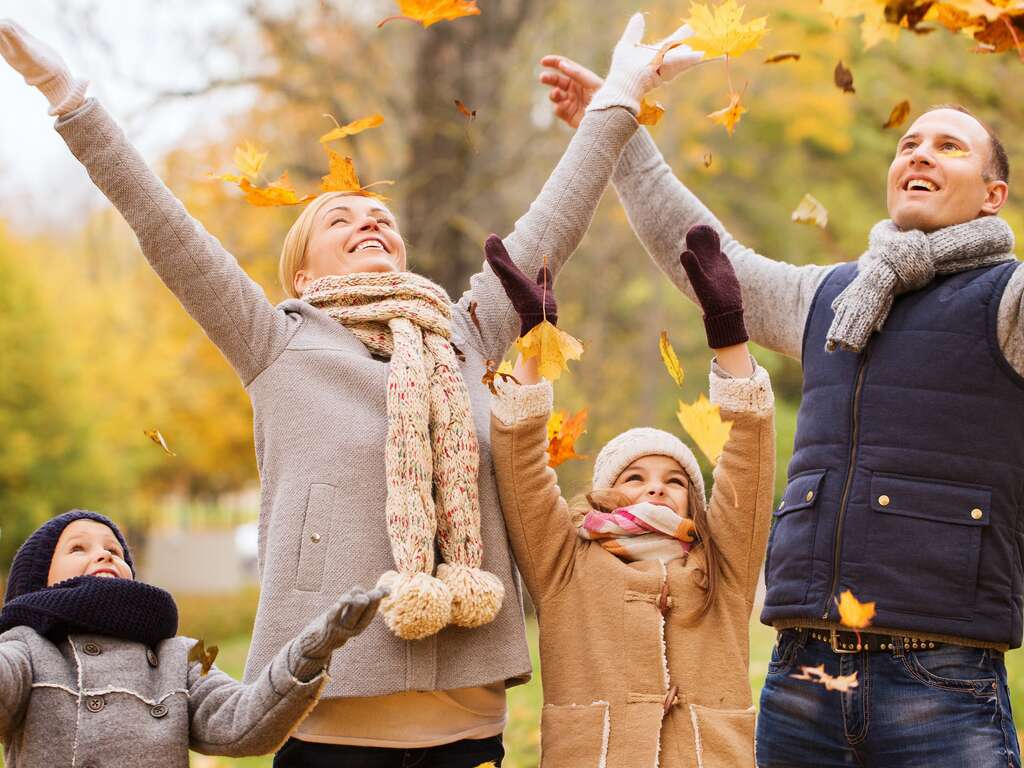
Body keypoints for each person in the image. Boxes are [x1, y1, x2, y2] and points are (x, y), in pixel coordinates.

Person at [0, 15, 705, 765]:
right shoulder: (273, 341)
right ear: (303, 276)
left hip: (467, 724)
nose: (371, 222)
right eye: (341, 218)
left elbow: (550, 228)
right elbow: (163, 223)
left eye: (383, 220)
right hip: (325, 720)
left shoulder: (461, 338)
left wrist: (622, 94)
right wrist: (66, 94)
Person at [539, 53, 1023, 766]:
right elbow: (702, 257)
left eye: (949, 146)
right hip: (801, 675)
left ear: (993, 195)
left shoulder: (1008, 299)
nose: (919, 152)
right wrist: (618, 131)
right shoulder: (829, 294)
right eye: (908, 143)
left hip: (941, 678)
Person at [483, 226, 775, 767]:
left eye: (674, 479)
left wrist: (729, 336)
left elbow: (750, 459)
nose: (656, 487)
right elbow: (521, 462)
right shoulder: (566, 561)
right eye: (635, 477)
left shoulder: (723, 563)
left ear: (694, 501)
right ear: (605, 494)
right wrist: (535, 342)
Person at [0, 509, 385, 768]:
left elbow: (242, 720)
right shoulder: (26, 647)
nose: (103, 555)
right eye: (78, 548)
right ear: (37, 582)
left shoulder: (181, 652)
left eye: (114, 550)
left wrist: (311, 650)